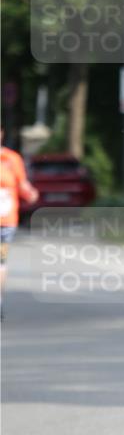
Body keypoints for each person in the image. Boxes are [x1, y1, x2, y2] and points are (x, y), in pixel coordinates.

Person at [0, 129, 39, 317]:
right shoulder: (11, 158)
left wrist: (30, 193)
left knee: (0, 261)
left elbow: (23, 186)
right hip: (7, 220)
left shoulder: (12, 159)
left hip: (5, 223)